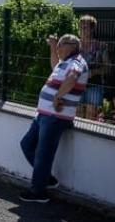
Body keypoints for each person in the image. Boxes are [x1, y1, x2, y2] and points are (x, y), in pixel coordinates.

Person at [19, 34, 88, 203]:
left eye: (60, 45)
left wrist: (57, 96)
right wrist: (52, 47)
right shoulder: (65, 62)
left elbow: (72, 79)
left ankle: (38, 192)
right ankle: (46, 179)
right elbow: (55, 66)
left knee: (43, 154)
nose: (58, 48)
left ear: (72, 45)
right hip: (44, 114)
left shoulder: (76, 62)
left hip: (56, 117)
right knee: (27, 144)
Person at [78, 15, 109, 120]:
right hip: (76, 84)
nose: (82, 29)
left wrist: (94, 72)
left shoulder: (101, 46)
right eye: (80, 27)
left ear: (92, 29)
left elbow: (107, 67)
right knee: (76, 115)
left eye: (85, 27)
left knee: (90, 118)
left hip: (94, 85)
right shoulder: (74, 45)